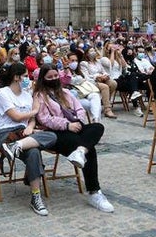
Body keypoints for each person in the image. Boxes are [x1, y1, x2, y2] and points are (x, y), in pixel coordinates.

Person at [32, 64, 114, 212]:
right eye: (49, 77)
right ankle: (94, 191)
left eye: (56, 76)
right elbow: (44, 119)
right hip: (56, 133)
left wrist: (78, 121)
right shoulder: (40, 96)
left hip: (76, 126)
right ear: (43, 79)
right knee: (91, 149)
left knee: (97, 127)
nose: (54, 79)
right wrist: (67, 124)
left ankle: (80, 151)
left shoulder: (65, 92)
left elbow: (80, 109)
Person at [0, 62, 57, 216]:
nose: (27, 79)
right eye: (24, 76)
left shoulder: (26, 94)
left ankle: (35, 195)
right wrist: (34, 111)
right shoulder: (3, 93)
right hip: (6, 134)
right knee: (34, 149)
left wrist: (30, 126)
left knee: (50, 137)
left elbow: (32, 119)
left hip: (23, 133)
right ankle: (36, 195)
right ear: (16, 77)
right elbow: (15, 116)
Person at [80, 46, 118, 119]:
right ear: (87, 54)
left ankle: (104, 101)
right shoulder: (84, 63)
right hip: (92, 82)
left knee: (113, 83)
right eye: (91, 51)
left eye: (94, 50)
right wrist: (97, 77)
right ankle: (107, 109)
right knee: (105, 87)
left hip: (102, 79)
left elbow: (103, 71)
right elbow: (86, 76)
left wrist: (105, 76)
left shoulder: (98, 62)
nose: (93, 52)